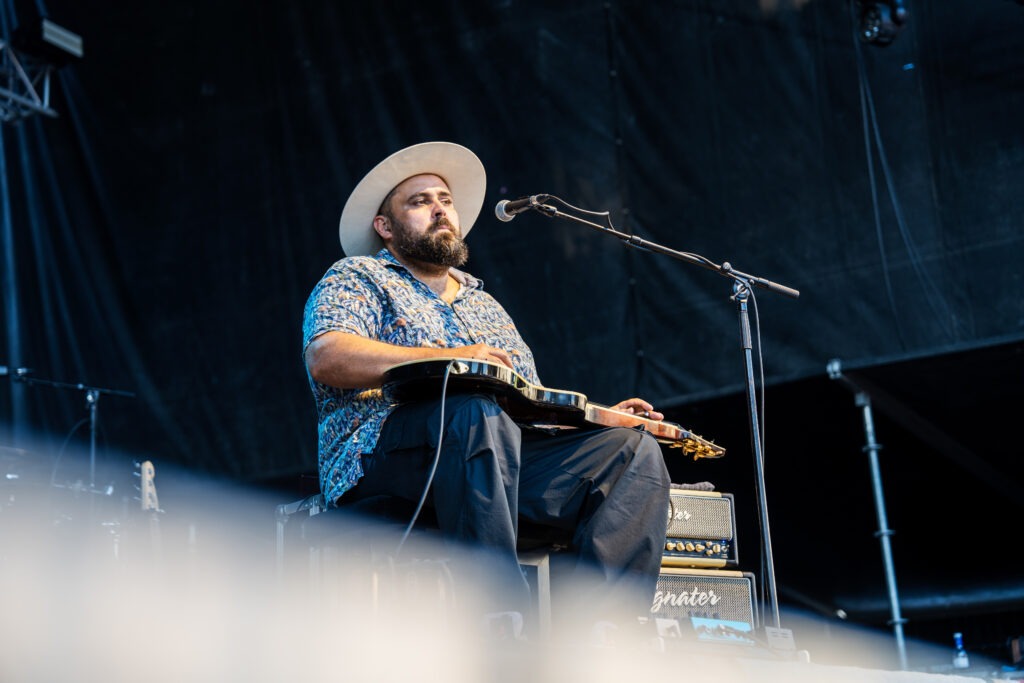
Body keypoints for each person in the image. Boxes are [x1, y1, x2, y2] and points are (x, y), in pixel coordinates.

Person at [302, 141, 670, 638]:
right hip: (382, 461)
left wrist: (600, 418)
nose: (439, 209)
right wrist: (445, 359)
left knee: (632, 453)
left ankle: (605, 635)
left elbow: (528, 401)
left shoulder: (485, 303)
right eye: (419, 201)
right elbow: (327, 356)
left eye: (445, 200)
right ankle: (503, 621)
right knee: (472, 411)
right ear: (385, 228)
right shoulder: (359, 276)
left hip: (490, 458)